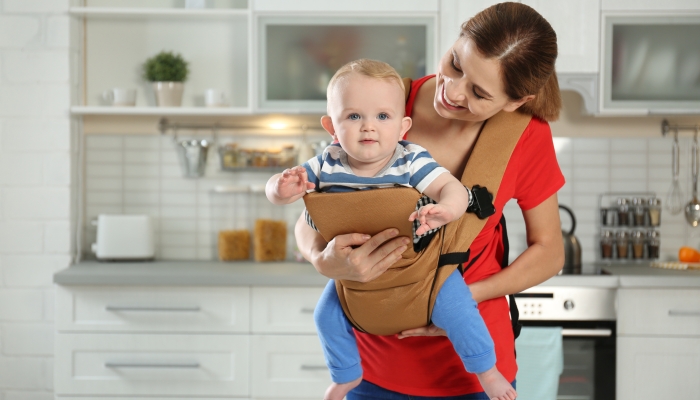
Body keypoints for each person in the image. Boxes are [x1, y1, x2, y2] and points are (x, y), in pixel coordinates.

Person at [293, 2, 566, 399]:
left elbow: (550, 251)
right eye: (456, 63)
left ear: (515, 101)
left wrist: (454, 300)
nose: (452, 90)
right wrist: (321, 259)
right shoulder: (381, 104)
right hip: (371, 368)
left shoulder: (525, 137)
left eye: (478, 92)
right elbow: (318, 209)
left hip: (471, 376)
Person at [265, 59, 517, 400]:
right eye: (354, 116)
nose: (369, 127)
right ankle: (347, 375)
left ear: (402, 126)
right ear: (331, 127)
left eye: (383, 116)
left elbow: (453, 189)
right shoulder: (326, 162)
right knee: (326, 315)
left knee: (459, 311)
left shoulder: (410, 159)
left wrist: (447, 210)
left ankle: (487, 372)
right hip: (355, 274)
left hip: (422, 269)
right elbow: (279, 196)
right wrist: (281, 189)